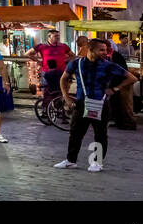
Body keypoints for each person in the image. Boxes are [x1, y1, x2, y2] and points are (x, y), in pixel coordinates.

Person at [55, 37, 137, 172]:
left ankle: (96, 163)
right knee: (75, 133)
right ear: (90, 49)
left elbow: (131, 78)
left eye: (106, 50)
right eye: (102, 50)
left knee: (100, 134)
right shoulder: (76, 64)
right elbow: (64, 78)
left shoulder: (108, 65)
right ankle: (71, 160)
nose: (105, 52)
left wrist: (114, 89)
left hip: (101, 104)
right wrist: (66, 96)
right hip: (81, 104)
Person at [107, 35, 137, 130]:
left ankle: (129, 123)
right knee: (116, 103)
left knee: (125, 104)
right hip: (115, 82)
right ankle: (119, 122)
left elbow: (126, 74)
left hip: (123, 82)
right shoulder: (109, 56)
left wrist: (119, 85)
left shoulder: (115, 55)